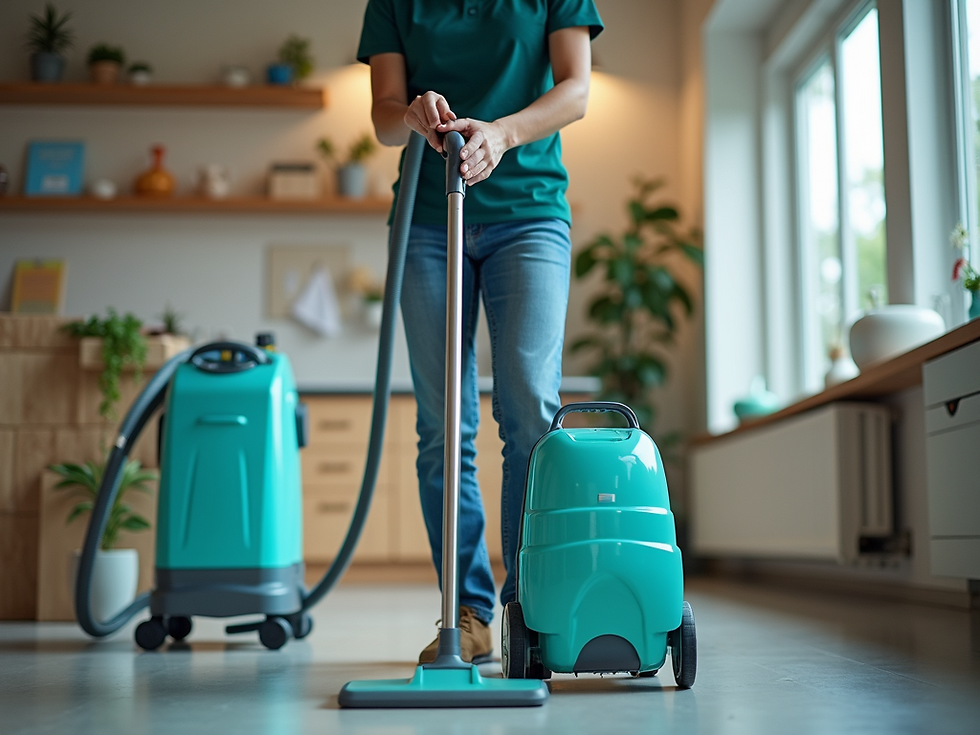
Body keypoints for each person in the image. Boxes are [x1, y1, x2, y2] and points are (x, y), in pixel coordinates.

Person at [357, 0, 603, 664]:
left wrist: (502, 133)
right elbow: (383, 114)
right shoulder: (394, 4)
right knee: (443, 423)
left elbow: (576, 89)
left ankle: (532, 603)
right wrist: (409, 113)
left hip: (529, 213)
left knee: (528, 406)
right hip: (429, 222)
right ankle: (468, 612)